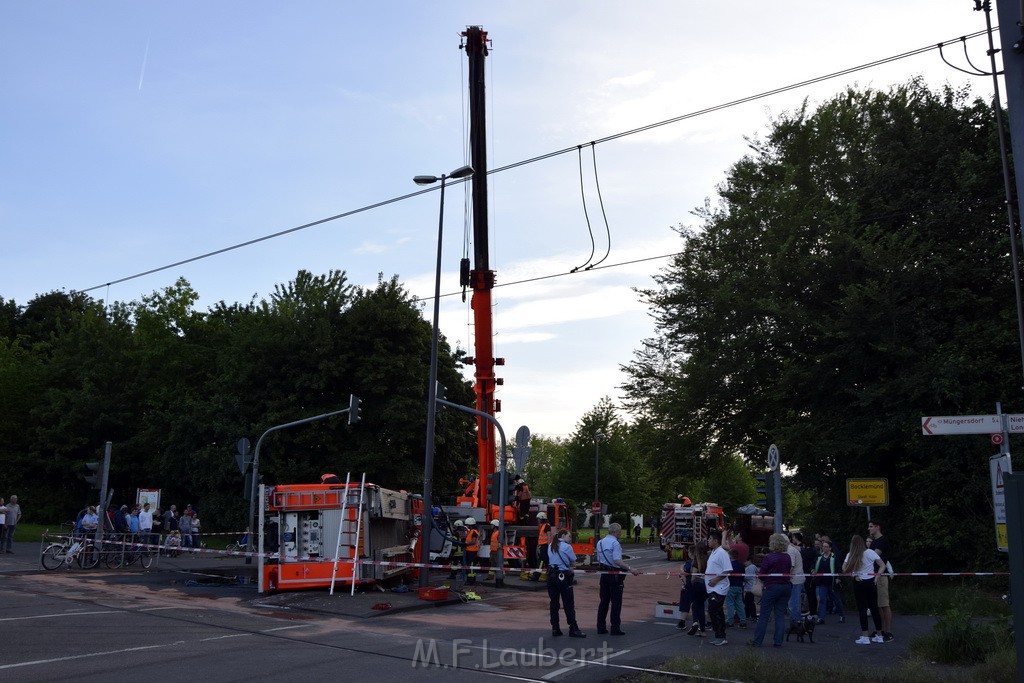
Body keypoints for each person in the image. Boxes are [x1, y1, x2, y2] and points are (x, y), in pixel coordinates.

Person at [595, 522, 640, 636]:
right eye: (620, 532)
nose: (620, 534)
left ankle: (601, 626)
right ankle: (615, 627)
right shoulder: (615, 543)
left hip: (604, 573)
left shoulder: (600, 542)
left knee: (603, 602)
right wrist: (630, 568)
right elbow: (617, 560)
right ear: (616, 532)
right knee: (616, 602)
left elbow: (599, 558)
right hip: (615, 574)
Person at [749, 533, 793, 647]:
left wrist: (761, 576)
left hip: (772, 587)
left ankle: (757, 641)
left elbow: (762, 574)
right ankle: (778, 641)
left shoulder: (769, 557)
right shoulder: (787, 557)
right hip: (786, 587)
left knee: (764, 615)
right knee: (780, 615)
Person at [843, 534, 885, 644]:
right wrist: (877, 576)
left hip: (859, 582)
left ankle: (865, 636)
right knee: (874, 608)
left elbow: (844, 569)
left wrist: (853, 575)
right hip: (871, 582)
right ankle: (879, 635)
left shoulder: (850, 554)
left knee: (862, 609)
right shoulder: (870, 552)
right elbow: (882, 565)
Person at [547, 528, 586, 638]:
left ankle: (555, 628)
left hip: (551, 576)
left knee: (554, 603)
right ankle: (573, 628)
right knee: (568, 603)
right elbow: (573, 561)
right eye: (569, 536)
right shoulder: (567, 547)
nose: (570, 539)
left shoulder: (550, 546)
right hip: (563, 577)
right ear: (563, 535)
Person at [868, 520, 894, 642]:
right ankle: (880, 630)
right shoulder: (873, 541)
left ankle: (888, 631)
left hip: (881, 576)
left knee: (884, 604)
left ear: (878, 527)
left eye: (871, 526)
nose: (869, 529)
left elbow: (873, 556)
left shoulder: (882, 541)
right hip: (873, 575)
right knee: (877, 604)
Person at [704, 529, 732, 646]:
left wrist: (716, 580)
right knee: (715, 610)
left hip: (719, 588)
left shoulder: (722, 553)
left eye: (710, 539)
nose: (708, 541)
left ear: (716, 540)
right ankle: (718, 635)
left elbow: (728, 570)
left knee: (714, 609)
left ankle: (721, 635)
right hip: (711, 588)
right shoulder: (714, 552)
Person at [813, 539, 845, 624]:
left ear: (830, 548)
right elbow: (814, 565)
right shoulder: (819, 556)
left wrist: (838, 578)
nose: (824, 548)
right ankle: (821, 618)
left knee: (836, 600)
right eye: (823, 546)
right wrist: (813, 570)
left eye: (826, 547)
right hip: (822, 582)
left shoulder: (834, 557)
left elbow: (839, 568)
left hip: (832, 583)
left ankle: (842, 615)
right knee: (822, 600)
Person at [686, 541, 709, 637]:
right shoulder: (709, 558)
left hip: (698, 584)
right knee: (701, 606)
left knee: (695, 605)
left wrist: (692, 583)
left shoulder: (697, 560)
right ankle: (702, 630)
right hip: (707, 584)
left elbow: (693, 576)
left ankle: (695, 622)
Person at [794, 532, 818, 618]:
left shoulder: (804, 553)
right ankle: (813, 611)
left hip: (806, 574)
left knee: (809, 593)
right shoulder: (814, 551)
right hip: (812, 574)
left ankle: (812, 612)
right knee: (812, 594)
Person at [725, 547, 747, 628]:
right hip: (740, 586)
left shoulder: (730, 565)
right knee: (739, 604)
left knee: (730, 604)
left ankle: (730, 621)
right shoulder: (741, 565)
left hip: (731, 585)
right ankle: (743, 621)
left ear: (730, 556)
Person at [786, 533, 806, 621]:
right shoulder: (791, 549)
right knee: (794, 602)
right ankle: (796, 621)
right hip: (796, 579)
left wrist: (785, 577)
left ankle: (795, 622)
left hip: (794, 580)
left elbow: (791, 566)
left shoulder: (790, 550)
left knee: (793, 602)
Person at [743, 555, 759, 623]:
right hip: (750, 587)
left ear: (749, 560)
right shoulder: (753, 567)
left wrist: (742, 577)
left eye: (745, 561)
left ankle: (752, 616)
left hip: (750, 587)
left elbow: (748, 577)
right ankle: (749, 615)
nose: (744, 563)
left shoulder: (750, 567)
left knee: (749, 602)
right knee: (748, 602)